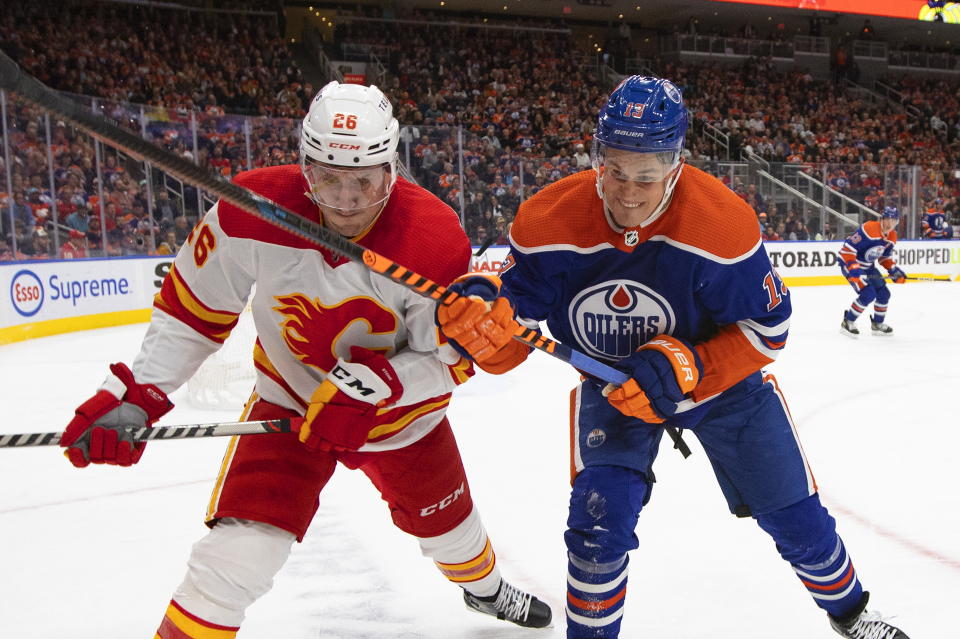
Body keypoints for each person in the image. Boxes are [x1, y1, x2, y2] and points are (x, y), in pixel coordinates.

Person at [58, 81, 551, 638]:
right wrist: (142, 391)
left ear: (391, 170)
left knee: (454, 537)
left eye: (364, 181)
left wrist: (376, 386)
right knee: (234, 558)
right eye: (328, 179)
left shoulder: (433, 238)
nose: (345, 201)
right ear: (305, 166)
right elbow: (192, 311)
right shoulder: (250, 209)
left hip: (404, 422)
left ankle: (484, 592)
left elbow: (450, 360)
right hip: (289, 408)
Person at [435, 75, 910, 639]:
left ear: (676, 164)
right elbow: (513, 323)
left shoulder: (721, 223)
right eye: (615, 170)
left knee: (794, 515)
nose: (629, 192)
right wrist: (484, 316)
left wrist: (690, 369)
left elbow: (769, 330)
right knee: (596, 520)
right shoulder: (548, 218)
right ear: (597, 157)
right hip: (614, 388)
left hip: (724, 391)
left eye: (647, 174)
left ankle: (852, 612)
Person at [839, 207, 908, 337]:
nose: (891, 224)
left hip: (868, 267)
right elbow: (847, 249)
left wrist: (893, 270)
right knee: (868, 294)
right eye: (888, 220)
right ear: (882, 219)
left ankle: (877, 324)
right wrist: (853, 268)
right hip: (850, 264)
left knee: (884, 294)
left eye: (894, 221)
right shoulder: (869, 229)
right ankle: (847, 321)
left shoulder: (892, 236)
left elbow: (884, 257)